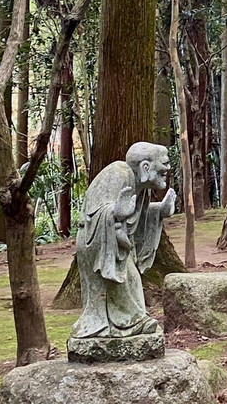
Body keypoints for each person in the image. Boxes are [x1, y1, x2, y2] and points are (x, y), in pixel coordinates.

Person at [70, 142, 176, 341]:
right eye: (164, 163)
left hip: (118, 244)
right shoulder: (118, 174)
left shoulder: (141, 186)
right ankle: (129, 323)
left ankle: (131, 323)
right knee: (125, 279)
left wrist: (159, 211)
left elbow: (137, 215)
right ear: (145, 167)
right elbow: (94, 213)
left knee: (131, 279)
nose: (168, 168)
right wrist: (115, 212)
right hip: (98, 243)